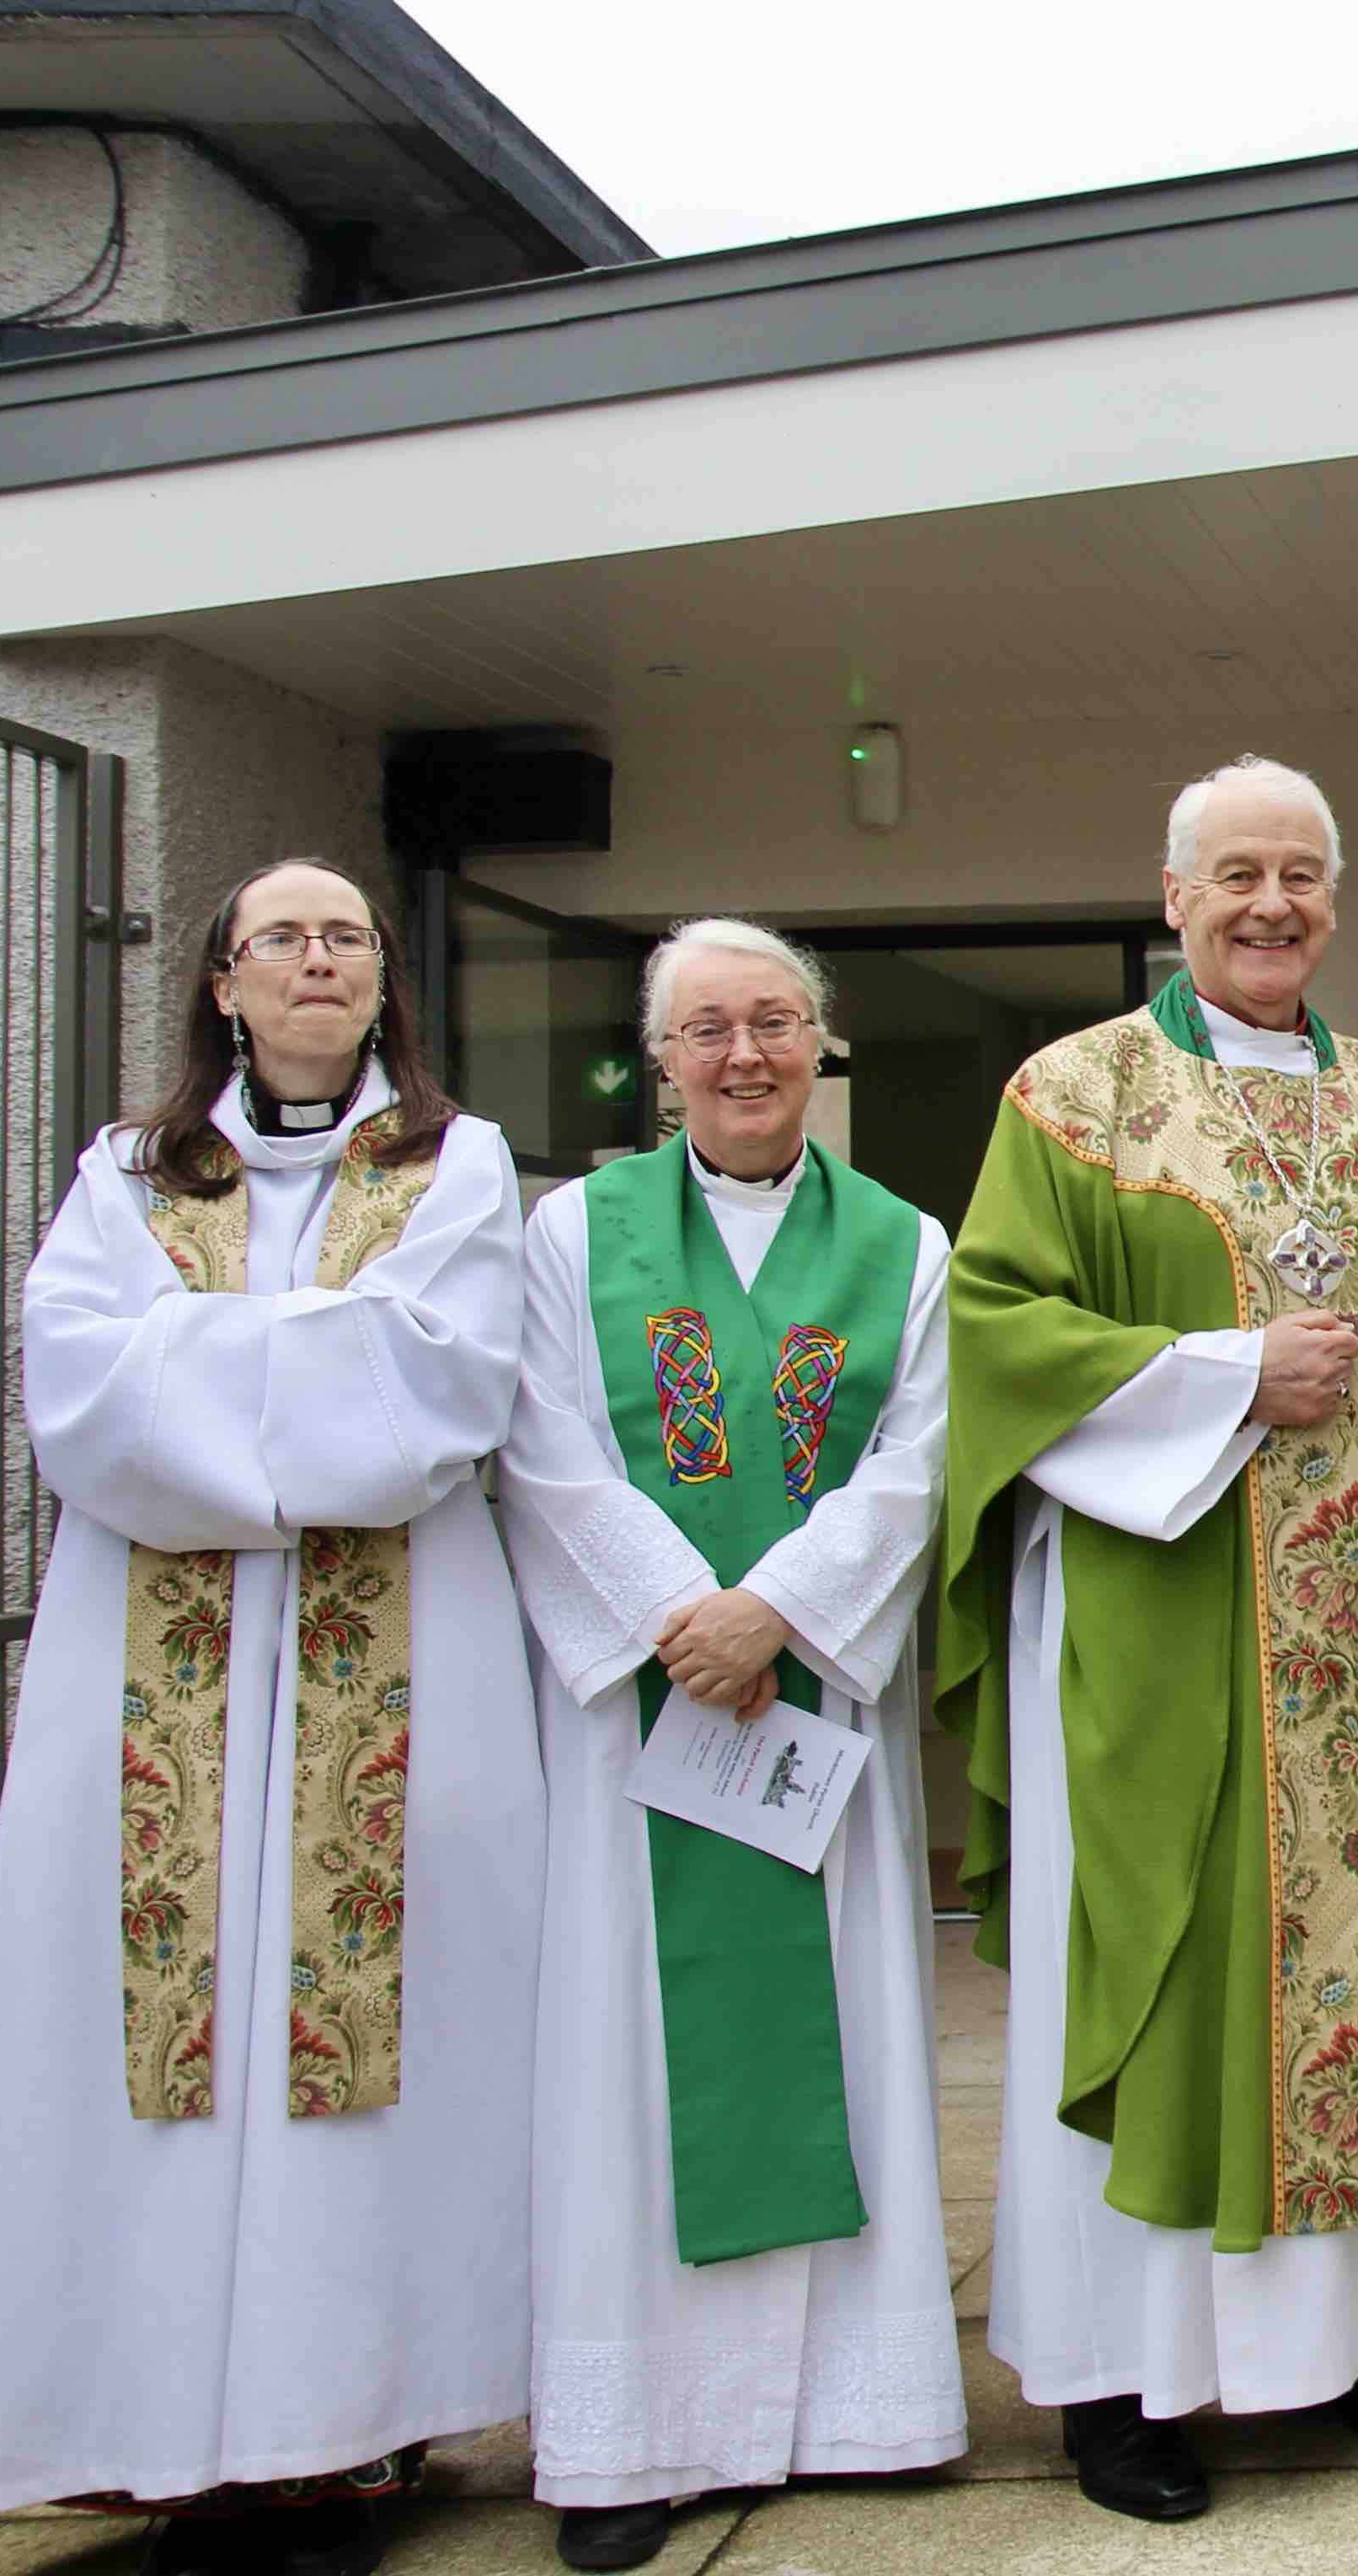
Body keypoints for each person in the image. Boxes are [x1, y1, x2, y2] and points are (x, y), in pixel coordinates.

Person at [0, 863, 540, 2575]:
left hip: (394, 1668)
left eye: (346, 938)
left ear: (382, 982)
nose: (316, 961)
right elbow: (79, 1390)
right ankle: (172, 2427)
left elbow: (440, 1388)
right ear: (224, 981)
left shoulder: (451, 1162)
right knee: (177, 2040)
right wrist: (298, 1367)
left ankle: (354, 2437)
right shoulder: (129, 1169)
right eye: (282, 939)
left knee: (364, 2052)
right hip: (153, 1688)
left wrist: (206, 1356)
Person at [936, 754, 1358, 2523]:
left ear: (1336, 898)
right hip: (1173, 1629)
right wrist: (1219, 1374)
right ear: (1173, 890)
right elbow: (995, 1330)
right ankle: (1125, 2383)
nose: (1269, 904)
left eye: (1299, 875)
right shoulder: (1075, 1095)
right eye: (1236, 876)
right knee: (1176, 1964)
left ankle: (1347, 2351)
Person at [495, 920, 965, 2568]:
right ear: (661, 1056)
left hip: (806, 1707)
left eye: (774, 1021)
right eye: (707, 1028)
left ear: (819, 1041)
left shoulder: (904, 1242)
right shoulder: (574, 1234)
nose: (745, 1053)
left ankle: (857, 2403)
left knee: (836, 2031)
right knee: (629, 2059)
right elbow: (542, 1446)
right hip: (645, 1719)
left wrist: (773, 1612)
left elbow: (920, 1460)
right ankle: (632, 2433)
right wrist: (677, 1617)